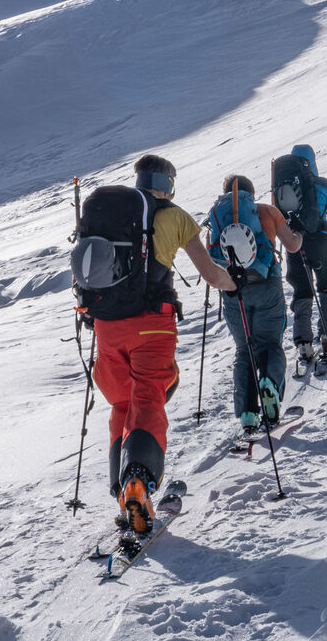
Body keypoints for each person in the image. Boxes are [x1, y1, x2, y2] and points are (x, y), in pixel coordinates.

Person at [80, 154, 235, 534]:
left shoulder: (111, 215)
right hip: (152, 325)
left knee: (123, 403)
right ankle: (139, 481)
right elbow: (210, 274)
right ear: (168, 183)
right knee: (148, 397)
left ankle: (125, 494)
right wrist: (236, 283)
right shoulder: (175, 216)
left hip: (106, 327)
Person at [205, 174, 302, 438]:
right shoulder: (267, 211)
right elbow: (292, 246)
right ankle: (270, 385)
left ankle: (248, 413)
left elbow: (211, 257)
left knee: (244, 349)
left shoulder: (216, 217)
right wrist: (300, 233)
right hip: (266, 284)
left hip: (233, 290)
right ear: (252, 193)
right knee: (270, 343)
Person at [274, 144, 327, 374]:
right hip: (321, 242)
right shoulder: (321, 183)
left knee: (302, 292)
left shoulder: (280, 185)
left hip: (294, 244)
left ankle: (304, 345)